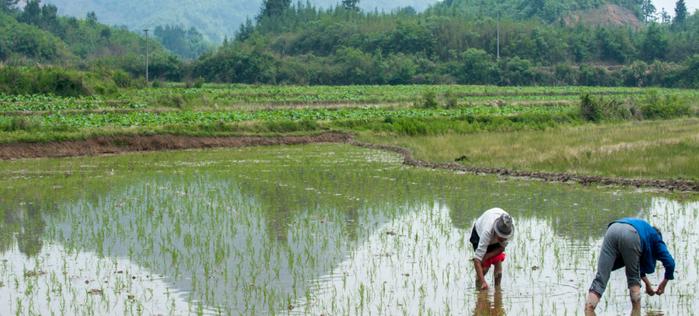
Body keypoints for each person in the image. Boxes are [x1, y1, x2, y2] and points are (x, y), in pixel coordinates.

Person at [585, 218, 675, 313]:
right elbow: (670, 263)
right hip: (631, 234)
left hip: (612, 230)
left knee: (600, 279)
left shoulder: (644, 230)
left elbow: (636, 264)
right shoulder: (656, 238)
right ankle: (636, 310)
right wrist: (664, 283)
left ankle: (589, 309)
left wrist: (648, 285)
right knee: (633, 279)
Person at [470, 208, 514, 290]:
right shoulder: (487, 232)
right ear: (496, 231)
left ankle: (497, 290)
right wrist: (483, 282)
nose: (503, 239)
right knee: (484, 268)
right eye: (501, 236)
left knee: (498, 263)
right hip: (478, 235)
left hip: (493, 233)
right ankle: (479, 289)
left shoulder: (509, 228)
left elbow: (501, 248)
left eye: (505, 237)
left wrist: (487, 256)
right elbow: (477, 260)